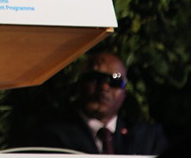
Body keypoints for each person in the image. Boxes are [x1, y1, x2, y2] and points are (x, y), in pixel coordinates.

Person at [35, 51, 169, 155]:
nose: (104, 87)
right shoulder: (54, 136)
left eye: (115, 81)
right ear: (81, 83)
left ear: (124, 92)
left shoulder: (148, 137)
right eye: (95, 78)